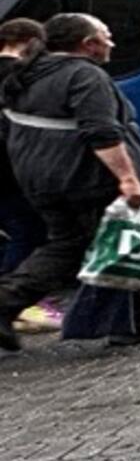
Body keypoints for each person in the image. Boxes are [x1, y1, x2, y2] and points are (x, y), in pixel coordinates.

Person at [0, 13, 140, 354]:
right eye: (106, 36)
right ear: (88, 44)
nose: (111, 43)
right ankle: (7, 302)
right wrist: (128, 179)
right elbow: (101, 131)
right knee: (122, 240)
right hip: (85, 178)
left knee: (67, 245)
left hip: (39, 179)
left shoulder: (25, 77)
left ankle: (130, 323)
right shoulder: (84, 75)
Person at [0, 19, 58, 335]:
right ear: (30, 40)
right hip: (13, 169)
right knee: (28, 232)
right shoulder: (19, 75)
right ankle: (16, 303)